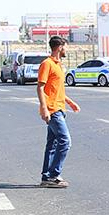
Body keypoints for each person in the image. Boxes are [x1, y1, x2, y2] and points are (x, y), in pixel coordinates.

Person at [35, 36, 80, 188]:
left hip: (60, 108)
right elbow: (40, 87)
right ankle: (53, 175)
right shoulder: (47, 64)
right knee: (65, 141)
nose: (66, 49)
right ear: (60, 47)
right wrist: (44, 108)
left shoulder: (58, 65)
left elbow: (55, 89)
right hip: (53, 110)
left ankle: (46, 177)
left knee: (52, 144)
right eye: (65, 47)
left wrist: (70, 102)